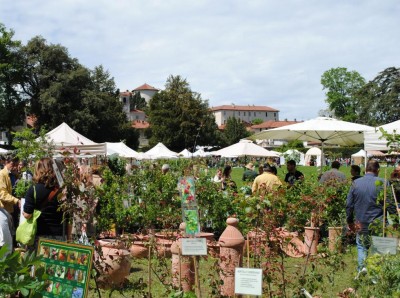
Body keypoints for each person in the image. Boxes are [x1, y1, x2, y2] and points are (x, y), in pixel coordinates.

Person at [346, 160, 397, 272]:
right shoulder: (384, 183)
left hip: (361, 221)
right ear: (377, 170)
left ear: (365, 170)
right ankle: (375, 274)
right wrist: (395, 220)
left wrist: (349, 221)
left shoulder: (356, 183)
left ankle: (361, 269)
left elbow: (349, 205)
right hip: (378, 222)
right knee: (378, 247)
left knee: (361, 246)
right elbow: (390, 204)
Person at [23, 158, 65, 245]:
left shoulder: (33, 189)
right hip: (59, 235)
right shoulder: (62, 190)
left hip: (39, 236)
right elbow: (68, 217)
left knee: (38, 259)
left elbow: (27, 215)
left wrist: (23, 212)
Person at [0, 156, 21, 254]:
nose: (15, 167)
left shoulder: (12, 174)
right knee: (5, 238)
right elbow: (2, 194)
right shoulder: (2, 174)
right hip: (3, 210)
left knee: (10, 235)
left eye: (16, 165)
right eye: (13, 164)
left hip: (10, 210)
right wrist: (16, 200)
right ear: (6, 162)